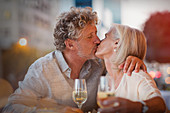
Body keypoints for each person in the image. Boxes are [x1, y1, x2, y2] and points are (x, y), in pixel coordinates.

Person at [3, 7, 146, 113]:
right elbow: (11, 108)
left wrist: (134, 59)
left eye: (96, 33)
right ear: (70, 44)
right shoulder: (42, 69)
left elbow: (120, 64)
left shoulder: (100, 64)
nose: (97, 40)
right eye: (90, 37)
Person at [95, 23, 166, 113]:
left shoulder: (137, 76)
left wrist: (137, 107)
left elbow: (160, 105)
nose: (99, 41)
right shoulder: (106, 77)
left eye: (105, 37)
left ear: (116, 43)